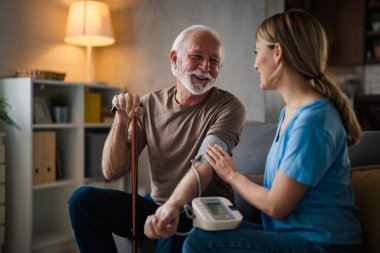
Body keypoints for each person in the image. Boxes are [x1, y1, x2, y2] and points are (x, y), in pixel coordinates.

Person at [183, 9, 364, 253]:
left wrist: (232, 177)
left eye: (258, 52)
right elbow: (278, 184)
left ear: (277, 53)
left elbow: (276, 205)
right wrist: (223, 171)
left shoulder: (313, 120)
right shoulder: (290, 112)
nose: (255, 63)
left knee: (199, 243)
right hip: (292, 236)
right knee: (198, 229)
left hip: (322, 244)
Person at [68, 24, 245, 253]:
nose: (205, 67)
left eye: (214, 61)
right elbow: (111, 171)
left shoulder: (229, 107)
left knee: (172, 235)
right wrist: (121, 120)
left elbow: (204, 165)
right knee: (82, 200)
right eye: (196, 56)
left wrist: (171, 207)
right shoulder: (149, 103)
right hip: (157, 204)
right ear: (174, 59)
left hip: (201, 209)